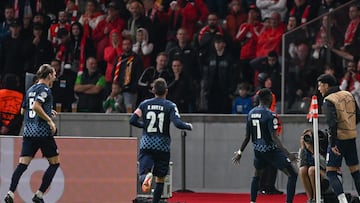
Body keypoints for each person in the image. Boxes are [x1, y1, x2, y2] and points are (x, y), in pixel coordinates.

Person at [129, 78, 192, 203]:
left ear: (153, 90)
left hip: (147, 143)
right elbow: (178, 123)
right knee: (160, 178)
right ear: (166, 91)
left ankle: (146, 177)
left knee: (143, 172)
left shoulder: (144, 104)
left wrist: (145, 126)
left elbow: (132, 120)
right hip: (162, 145)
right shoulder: (170, 106)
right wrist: (188, 126)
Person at [4, 64, 59, 203]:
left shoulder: (30, 90)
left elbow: (24, 111)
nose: (55, 77)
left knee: (23, 164)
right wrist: (50, 121)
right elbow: (36, 106)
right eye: (53, 74)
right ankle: (39, 194)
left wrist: (46, 111)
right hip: (42, 132)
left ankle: (10, 192)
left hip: (28, 132)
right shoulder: (45, 89)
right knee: (54, 163)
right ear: (48, 76)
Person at [232, 88, 298, 203]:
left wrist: (239, 152)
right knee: (292, 174)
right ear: (269, 98)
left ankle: (252, 201)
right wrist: (287, 154)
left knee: (256, 174)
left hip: (258, 151)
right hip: (271, 151)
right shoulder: (270, 114)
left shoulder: (251, 113)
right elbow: (274, 137)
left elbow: (247, 136)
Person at [317, 74, 360, 203]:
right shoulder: (349, 94)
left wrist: (333, 142)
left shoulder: (329, 100)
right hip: (351, 137)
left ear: (326, 85)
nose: (319, 89)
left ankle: (342, 201)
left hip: (338, 140)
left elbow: (332, 122)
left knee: (331, 173)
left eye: (320, 85)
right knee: (355, 172)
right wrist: (349, 126)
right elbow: (358, 115)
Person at [299, 129, 330, 203]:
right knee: (302, 170)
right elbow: (300, 165)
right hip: (312, 175)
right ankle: (310, 199)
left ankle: (317, 198)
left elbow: (325, 165)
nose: (308, 139)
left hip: (326, 177)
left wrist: (313, 151)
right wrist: (303, 148)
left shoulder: (323, 145)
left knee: (312, 169)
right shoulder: (304, 149)